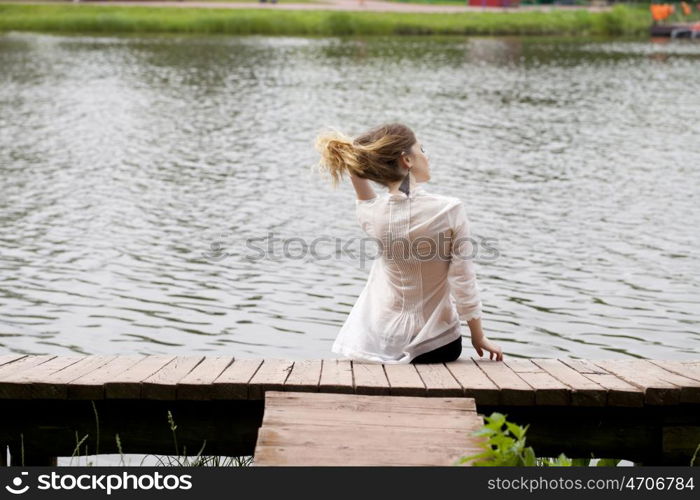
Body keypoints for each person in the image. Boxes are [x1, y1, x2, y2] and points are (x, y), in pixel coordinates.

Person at [314, 122, 504, 364]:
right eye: (422, 149)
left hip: (383, 342)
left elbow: (362, 190)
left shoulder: (371, 214)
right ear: (407, 160)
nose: (427, 155)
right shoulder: (449, 210)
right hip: (437, 345)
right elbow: (463, 280)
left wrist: (356, 158)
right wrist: (479, 337)